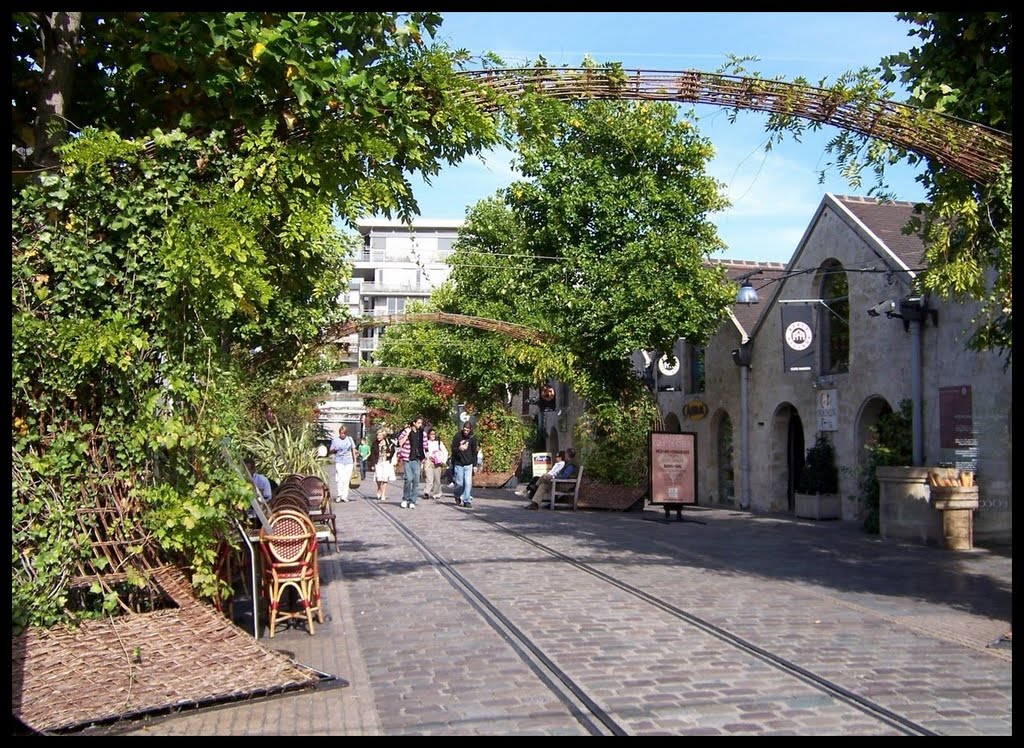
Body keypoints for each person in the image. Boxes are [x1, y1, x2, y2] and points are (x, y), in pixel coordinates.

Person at [397, 416, 427, 509]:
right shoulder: (406, 431)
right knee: (408, 479)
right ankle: (405, 498)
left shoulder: (422, 433)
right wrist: (407, 434)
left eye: (421, 423)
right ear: (414, 423)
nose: (420, 425)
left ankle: (412, 500)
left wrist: (426, 457)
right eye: (418, 423)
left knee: (416, 480)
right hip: (407, 458)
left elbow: (425, 445)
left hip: (417, 458)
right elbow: (400, 442)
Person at [450, 421, 479, 508]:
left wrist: (474, 465)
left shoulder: (472, 438)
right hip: (459, 463)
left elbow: (474, 452)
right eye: (464, 430)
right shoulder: (458, 436)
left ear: (470, 430)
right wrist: (459, 448)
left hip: (468, 464)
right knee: (460, 483)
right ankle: (457, 495)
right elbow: (453, 449)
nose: (466, 432)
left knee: (468, 483)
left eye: (467, 430)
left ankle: (467, 500)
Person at [328, 425, 358, 503]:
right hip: (339, 461)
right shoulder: (335, 440)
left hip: (349, 461)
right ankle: (339, 495)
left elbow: (353, 449)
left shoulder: (349, 439)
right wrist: (334, 449)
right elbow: (331, 449)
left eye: (344, 433)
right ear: (339, 433)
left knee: (346, 479)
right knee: (340, 478)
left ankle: (344, 496)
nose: (343, 435)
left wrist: (355, 460)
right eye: (341, 433)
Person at [371, 427, 396, 501]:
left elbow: (393, 450)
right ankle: (379, 488)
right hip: (378, 462)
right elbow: (372, 454)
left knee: (385, 479)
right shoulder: (375, 443)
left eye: (380, 435)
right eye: (377, 435)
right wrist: (372, 464)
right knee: (378, 478)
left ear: (383, 436)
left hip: (386, 462)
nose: (378, 437)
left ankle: (383, 494)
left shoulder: (388, 442)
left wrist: (390, 454)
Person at [424, 427, 448, 500]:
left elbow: (445, 452)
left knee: (437, 479)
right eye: (431, 434)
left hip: (437, 463)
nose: (433, 435)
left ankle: (437, 493)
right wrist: (426, 458)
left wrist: (443, 460)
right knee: (429, 478)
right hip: (429, 462)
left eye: (434, 434)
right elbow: (424, 452)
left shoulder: (439, 443)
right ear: (428, 435)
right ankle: (427, 492)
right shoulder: (426, 443)